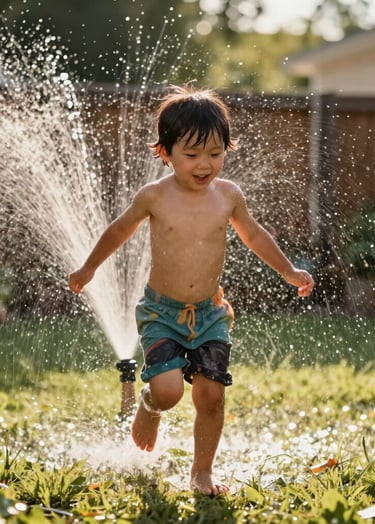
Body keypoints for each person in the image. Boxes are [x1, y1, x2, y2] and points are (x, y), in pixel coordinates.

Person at [69, 85, 314, 496]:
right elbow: (120, 230)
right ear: (165, 152)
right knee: (169, 392)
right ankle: (149, 406)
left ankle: (202, 473)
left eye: (215, 154)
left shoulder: (228, 196)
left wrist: (288, 270)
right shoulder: (154, 197)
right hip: (162, 312)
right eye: (192, 154)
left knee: (211, 395)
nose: (205, 165)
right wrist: (89, 267)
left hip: (210, 312)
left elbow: (254, 235)